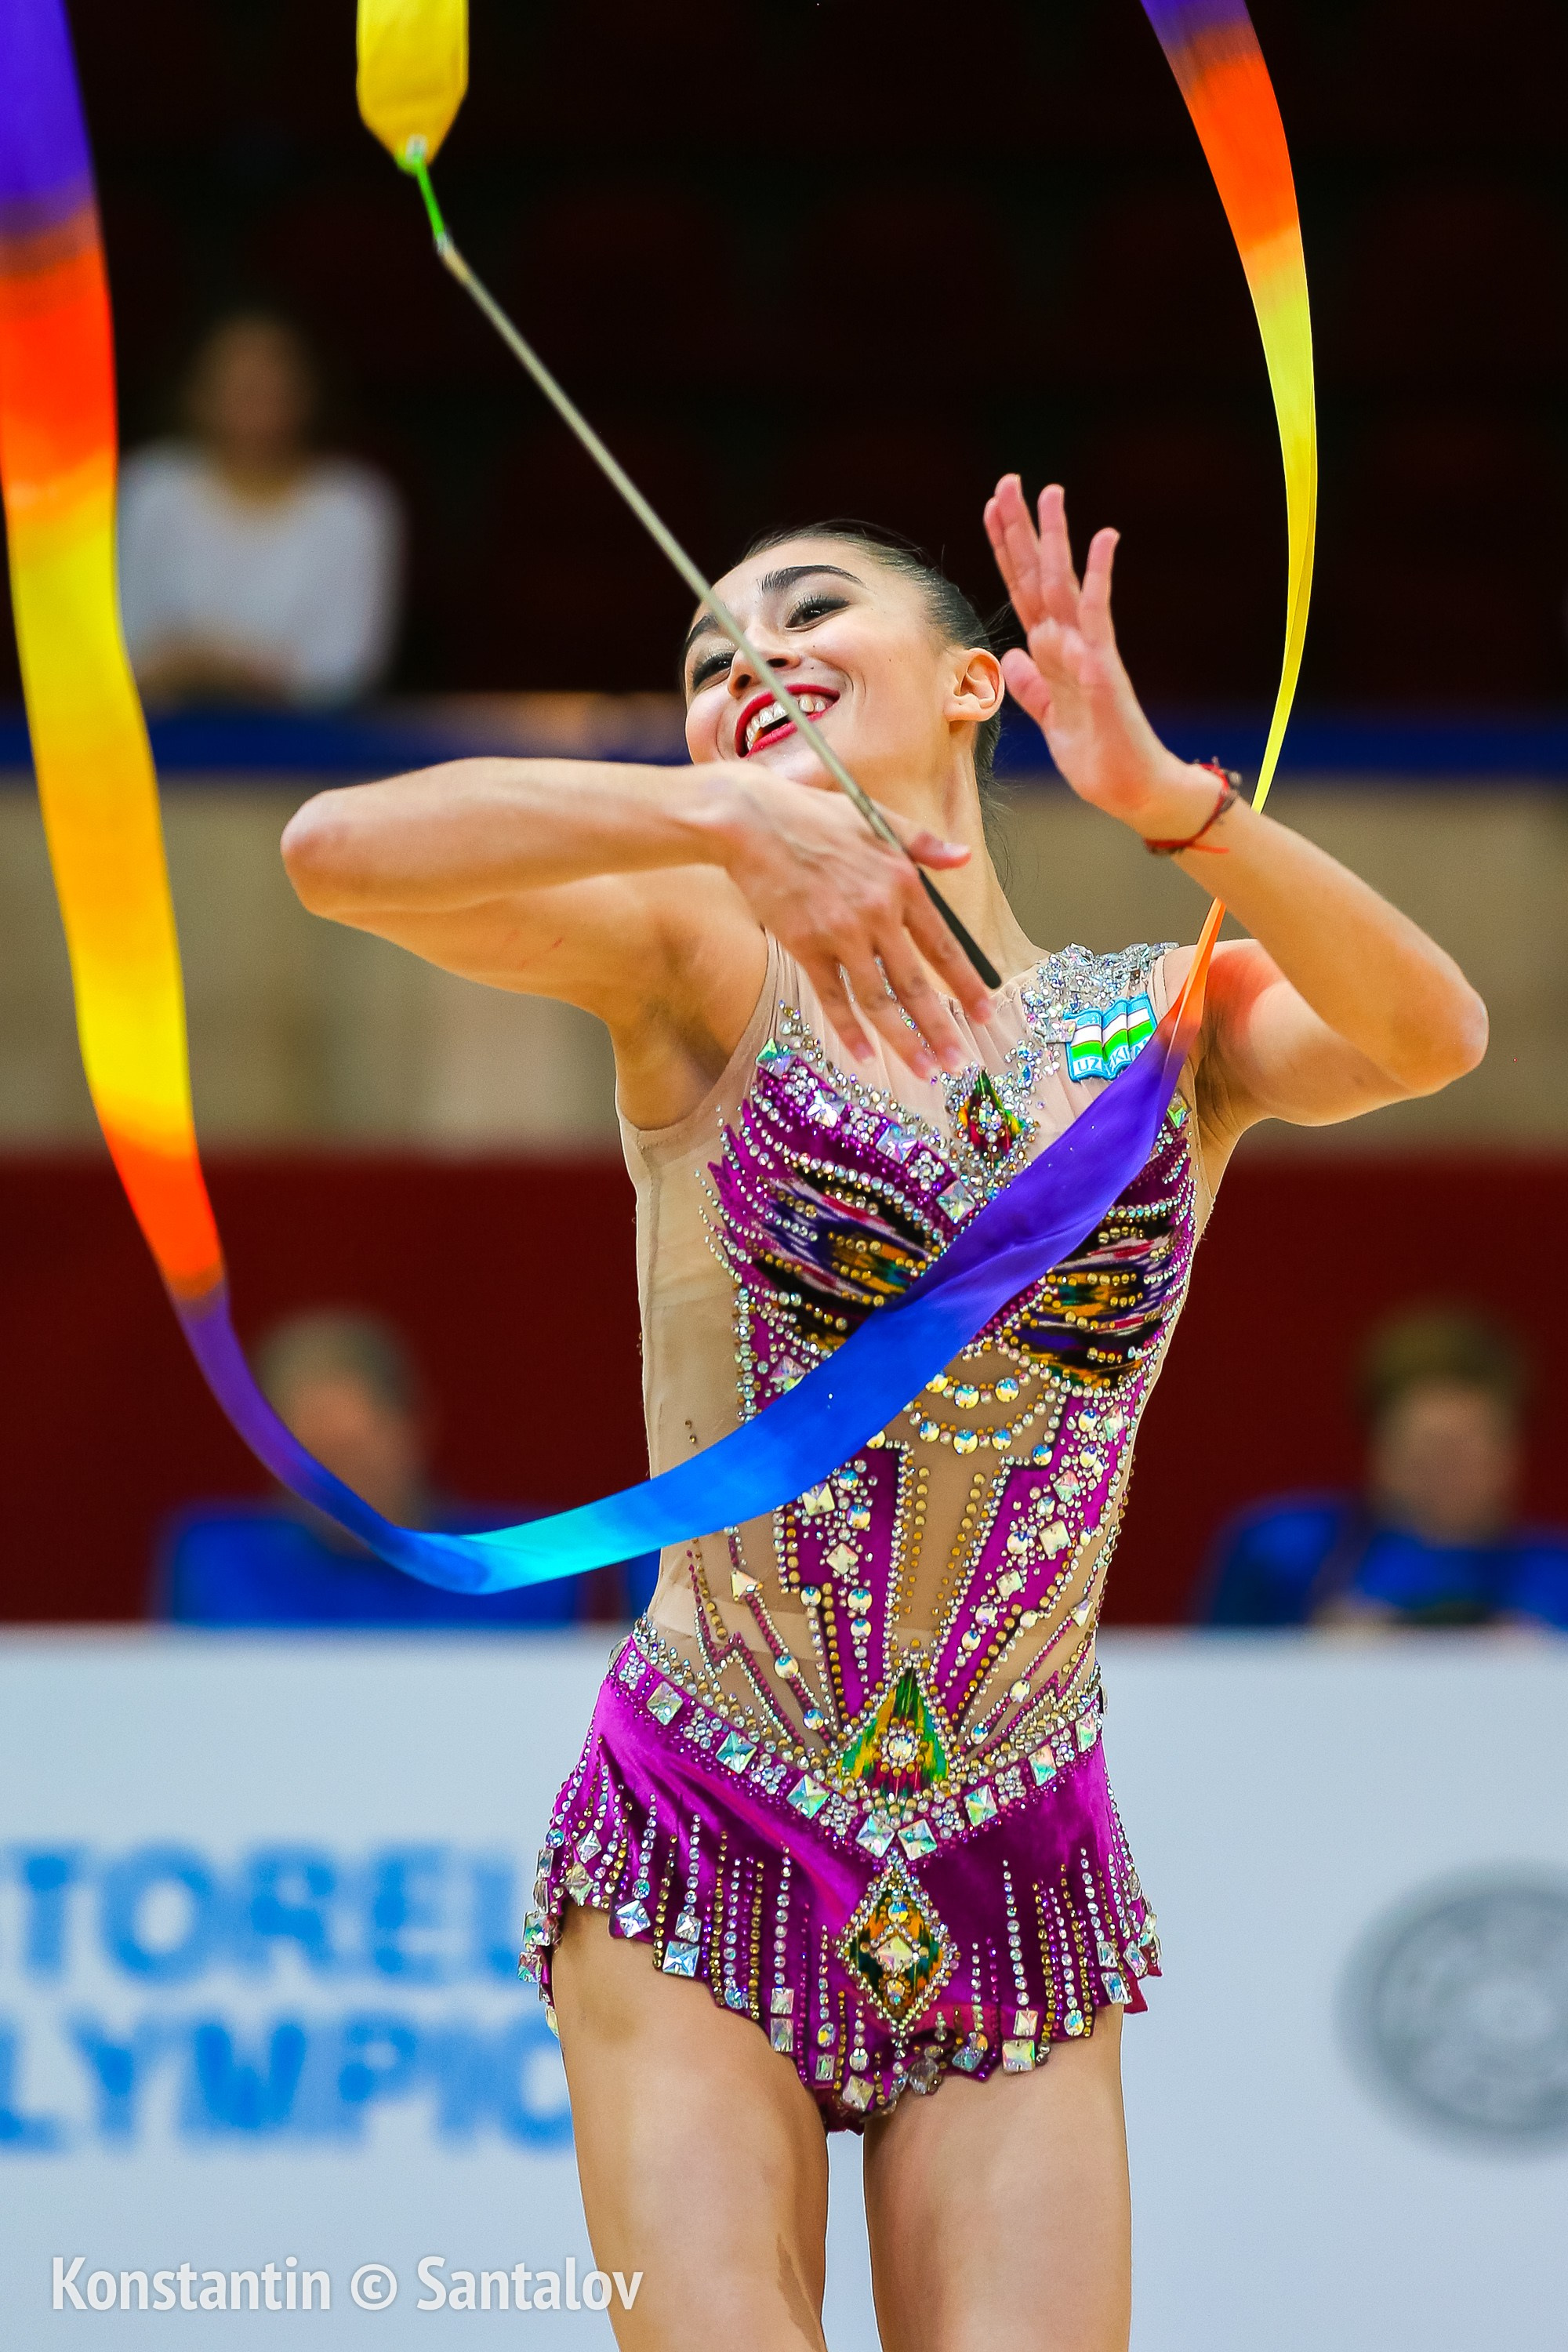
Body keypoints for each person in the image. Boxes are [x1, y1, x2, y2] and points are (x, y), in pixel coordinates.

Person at [278, 479, 1486, 2350]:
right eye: (707, 660)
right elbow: (333, 851)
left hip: (1018, 1838)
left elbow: (1428, 1037)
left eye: (810, 612)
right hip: (708, 1805)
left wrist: (1174, 805)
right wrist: (706, 817)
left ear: (972, 684)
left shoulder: (1160, 1031)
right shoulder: (700, 961)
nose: (747, 661)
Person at [158, 1308, 652, 1628]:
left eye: (353, 1452)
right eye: (308, 1461)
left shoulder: (523, 1568)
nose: (333, 1487)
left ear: (412, 1427)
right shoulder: (220, 1568)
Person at [1200, 1307, 1568, 1631]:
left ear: (1511, 1453)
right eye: (1426, 1450)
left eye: (1468, 1449)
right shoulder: (1282, 1552)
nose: (1446, 1474)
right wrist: (1312, 1656)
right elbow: (1212, 1671)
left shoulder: (1557, 1575)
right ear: (1379, 1448)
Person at [118, 313, 402, 707]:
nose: (255, 397)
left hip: (305, 736)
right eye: (237, 383)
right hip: (161, 727)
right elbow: (121, 644)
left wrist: (228, 670)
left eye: (272, 381)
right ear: (196, 392)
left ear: (308, 391)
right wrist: (191, 669)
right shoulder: (149, 489)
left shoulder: (354, 505)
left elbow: (345, 666)